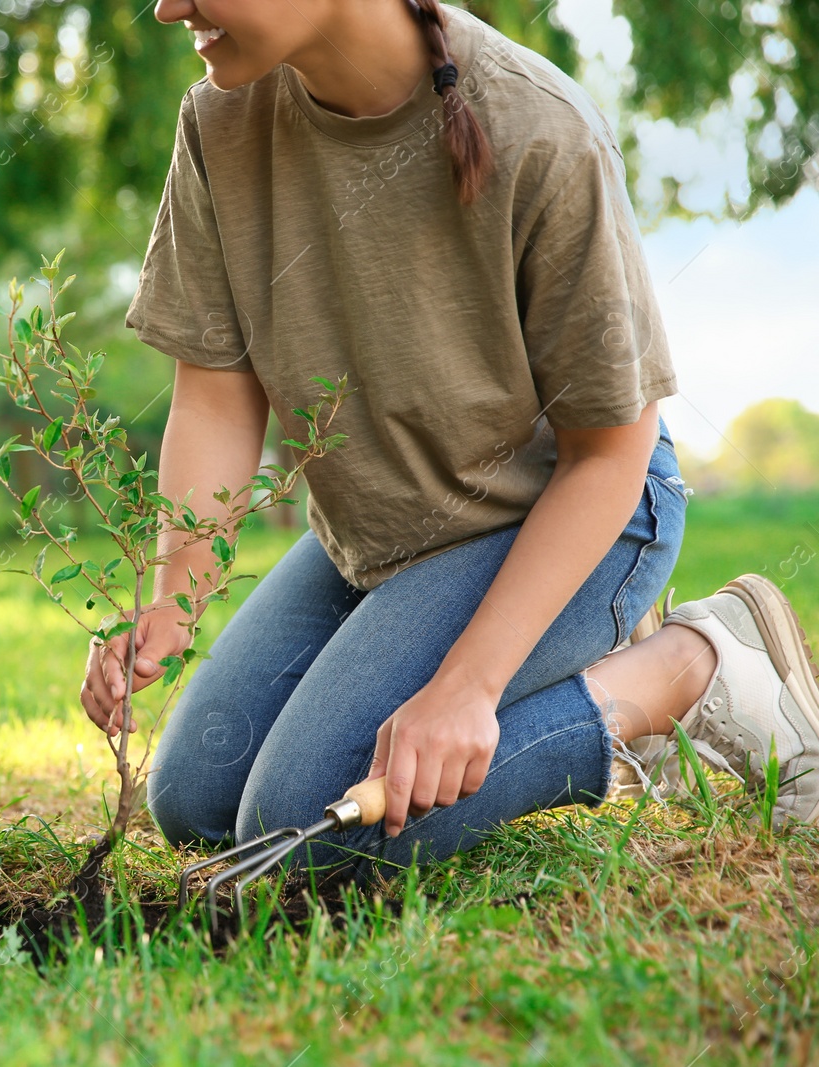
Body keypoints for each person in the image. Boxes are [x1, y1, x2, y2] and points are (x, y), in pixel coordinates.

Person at [80, 0, 819, 884]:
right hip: (384, 531)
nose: (169, 7)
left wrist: (466, 686)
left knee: (307, 829)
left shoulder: (540, 127)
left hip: (578, 516)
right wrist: (174, 592)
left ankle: (680, 675)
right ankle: (573, 665)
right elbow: (215, 397)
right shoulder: (219, 120)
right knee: (197, 802)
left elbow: (609, 455)